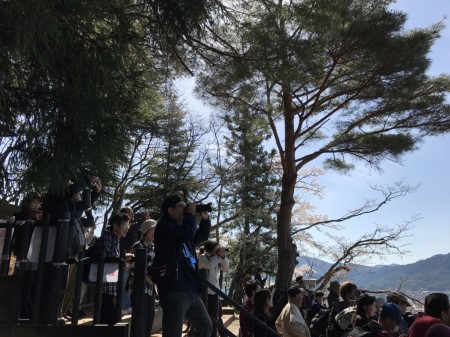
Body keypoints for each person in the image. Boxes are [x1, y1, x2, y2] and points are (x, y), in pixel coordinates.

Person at [152, 195, 212, 337]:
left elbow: (200, 236)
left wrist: (205, 220)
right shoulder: (164, 226)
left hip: (190, 288)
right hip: (175, 288)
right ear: (170, 210)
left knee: (205, 326)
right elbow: (186, 234)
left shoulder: (183, 230)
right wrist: (190, 215)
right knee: (173, 332)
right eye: (181, 206)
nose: (185, 209)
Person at [95, 212, 131, 324]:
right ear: (115, 225)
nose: (127, 229)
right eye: (125, 226)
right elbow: (108, 258)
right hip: (106, 287)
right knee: (107, 321)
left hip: (113, 287)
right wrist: (123, 262)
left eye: (128, 226)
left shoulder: (115, 239)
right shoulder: (108, 237)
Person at [130, 218, 157, 337]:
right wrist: (146, 278)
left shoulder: (154, 247)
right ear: (146, 231)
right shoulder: (138, 245)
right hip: (139, 287)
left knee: (150, 316)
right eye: (153, 230)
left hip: (151, 288)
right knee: (140, 317)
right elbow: (132, 266)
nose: (155, 232)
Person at [198, 240, 230, 337]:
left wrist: (223, 256)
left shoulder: (216, 258)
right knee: (204, 318)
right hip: (204, 292)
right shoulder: (202, 257)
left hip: (214, 292)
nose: (219, 251)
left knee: (215, 317)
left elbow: (226, 268)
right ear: (211, 250)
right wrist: (219, 256)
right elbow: (210, 264)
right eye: (217, 249)